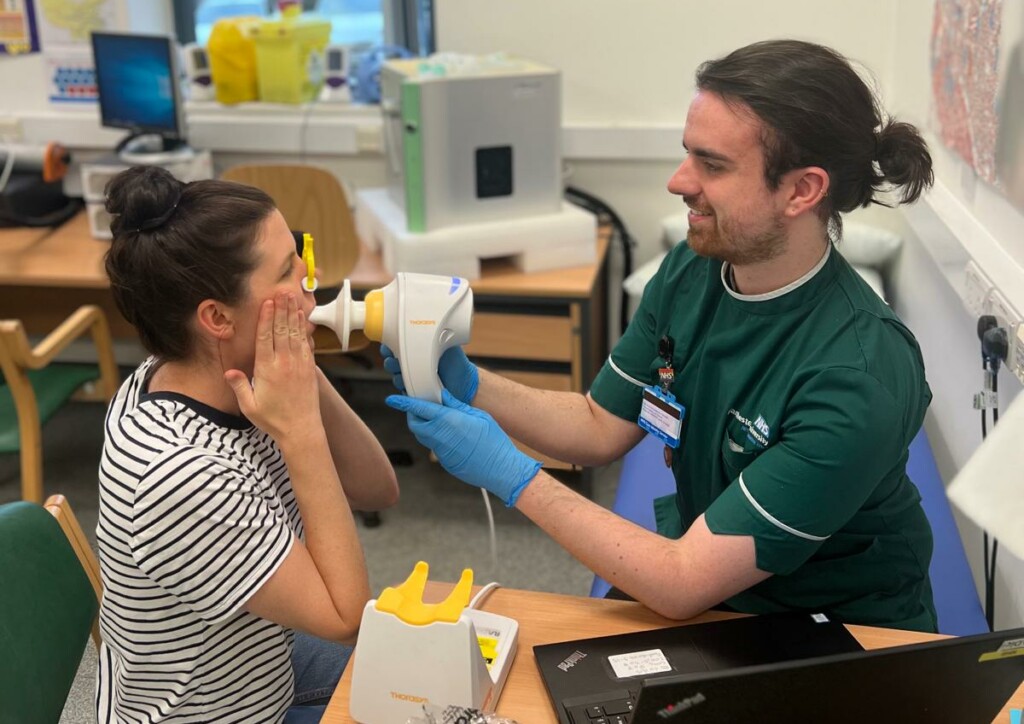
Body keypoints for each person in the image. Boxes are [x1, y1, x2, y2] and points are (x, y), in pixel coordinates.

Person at [385, 39, 939, 632]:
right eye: (686, 155)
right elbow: (600, 425)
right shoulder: (692, 271)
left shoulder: (858, 374)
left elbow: (680, 581)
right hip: (714, 586)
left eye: (713, 165)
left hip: (838, 632)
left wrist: (513, 476)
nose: (679, 182)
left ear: (802, 190)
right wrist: (472, 385)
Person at [97, 166, 399, 723]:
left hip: (266, 664)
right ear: (215, 317)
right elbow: (345, 615)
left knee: (435, 674)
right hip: (227, 714)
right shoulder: (176, 474)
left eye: (300, 254)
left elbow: (378, 489)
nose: (310, 280)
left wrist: (302, 369)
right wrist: (301, 432)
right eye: (288, 272)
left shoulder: (204, 369)